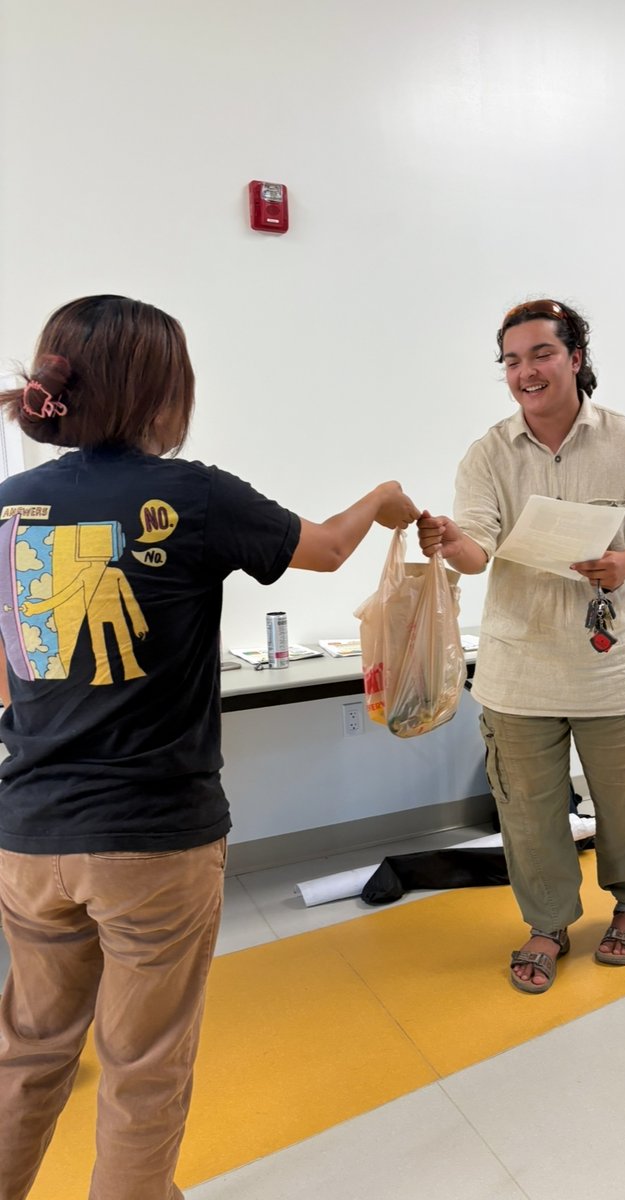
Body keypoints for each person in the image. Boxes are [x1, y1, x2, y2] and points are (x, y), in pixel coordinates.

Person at [0, 294, 419, 1199]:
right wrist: (384, 497)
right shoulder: (188, 493)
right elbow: (328, 549)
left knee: (25, 1056)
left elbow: (6, 674)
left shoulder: (8, 508)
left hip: (29, 833)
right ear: (161, 391)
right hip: (154, 835)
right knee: (143, 1065)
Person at [418, 298, 625, 994]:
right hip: (519, 666)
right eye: (511, 360)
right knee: (527, 808)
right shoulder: (488, 452)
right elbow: (476, 550)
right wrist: (451, 542)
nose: (524, 371)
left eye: (540, 353)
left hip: (612, 665)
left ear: (574, 358)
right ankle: (546, 923)